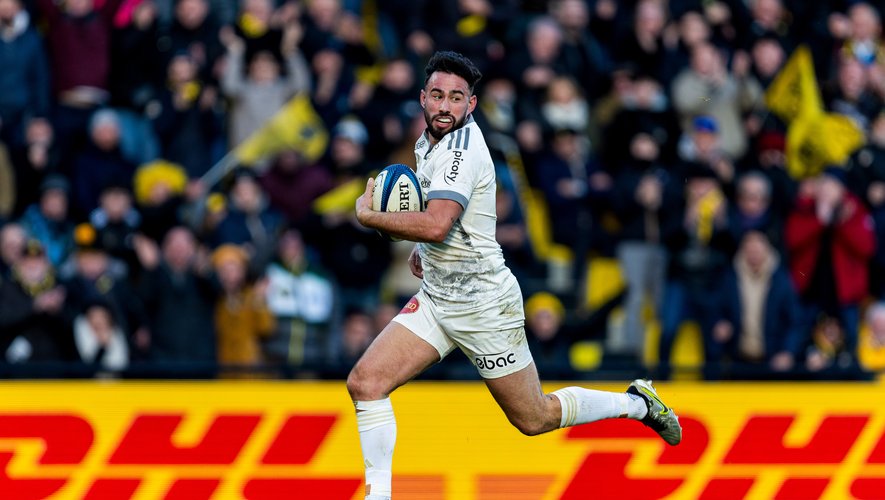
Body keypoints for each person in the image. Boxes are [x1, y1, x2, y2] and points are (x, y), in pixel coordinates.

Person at [348, 51, 682, 500]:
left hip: (485, 302)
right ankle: (378, 496)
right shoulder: (427, 143)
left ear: (473, 104)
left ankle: (637, 403)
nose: (446, 106)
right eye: (438, 95)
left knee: (534, 418)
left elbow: (436, 223)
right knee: (366, 383)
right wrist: (422, 252)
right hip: (438, 296)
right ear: (422, 98)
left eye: (456, 98)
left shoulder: (462, 151)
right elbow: (438, 228)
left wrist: (372, 217)